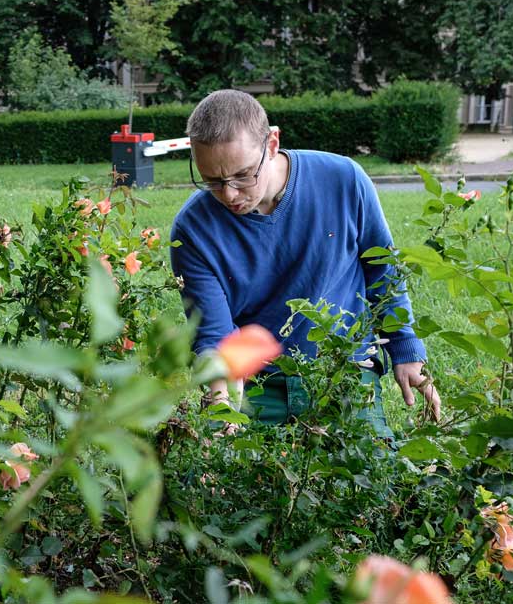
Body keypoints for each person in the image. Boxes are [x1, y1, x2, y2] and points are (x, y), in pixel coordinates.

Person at [170, 90, 440, 436]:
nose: (229, 195)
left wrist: (404, 347)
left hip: (345, 370)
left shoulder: (344, 179)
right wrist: (221, 402)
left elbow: (383, 271)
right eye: (212, 181)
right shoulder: (193, 228)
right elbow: (213, 333)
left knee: (370, 478)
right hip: (258, 384)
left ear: (271, 143)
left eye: (242, 175)